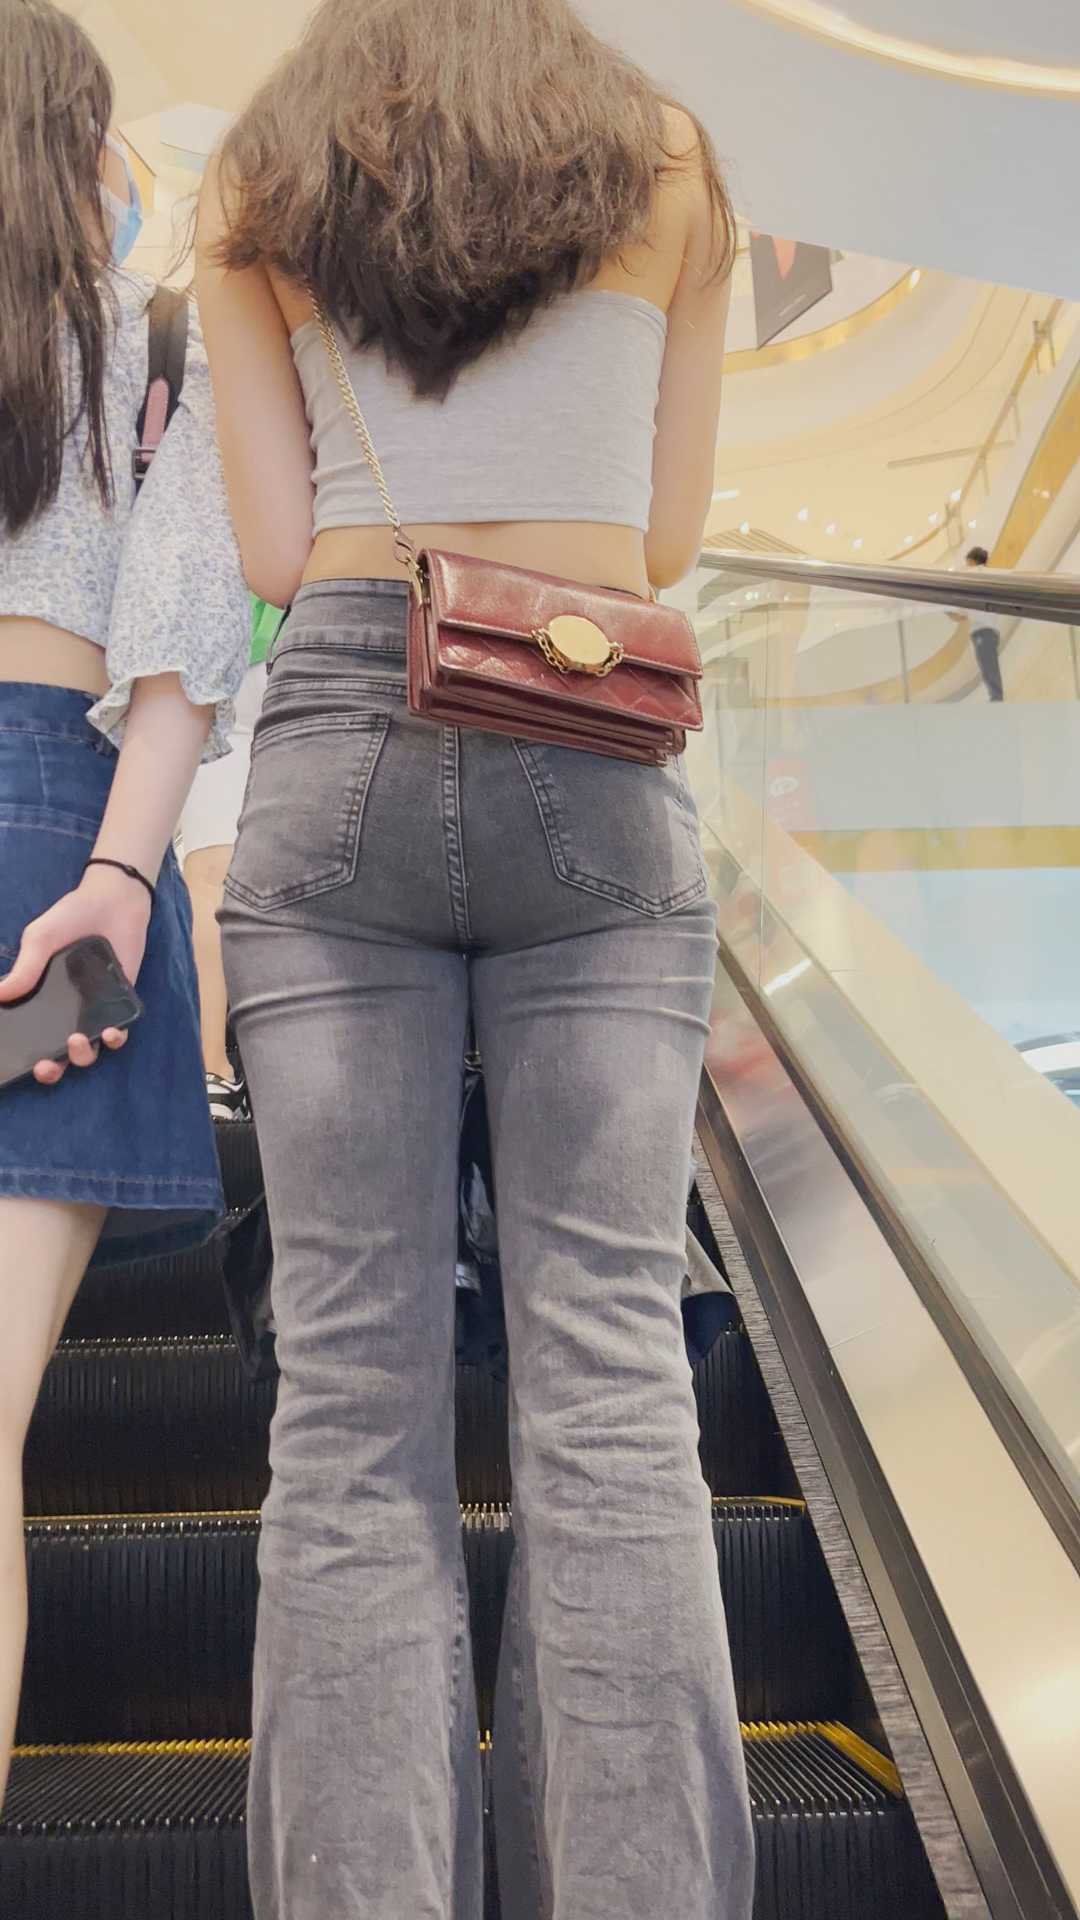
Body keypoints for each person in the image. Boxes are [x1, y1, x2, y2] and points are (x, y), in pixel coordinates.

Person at [195, 1, 754, 1914]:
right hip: (590, 719)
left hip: (342, 733)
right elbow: (659, 540)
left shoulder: (262, 171)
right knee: (612, 1391)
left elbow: (277, 550)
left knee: (350, 1410)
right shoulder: (670, 159)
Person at [0, 0, 247, 1805]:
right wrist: (118, 877)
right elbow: (181, 643)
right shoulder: (160, 342)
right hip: (57, 837)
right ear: (90, 151)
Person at [180, 596, 283, 1119]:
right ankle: (215, 1066)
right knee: (213, 874)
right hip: (281, 649)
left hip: (221, 650)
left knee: (209, 875)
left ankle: (212, 1068)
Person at [955, 545, 1005, 701]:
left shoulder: (979, 576)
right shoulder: (978, 583)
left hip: (984, 631)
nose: (966, 567)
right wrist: (943, 607)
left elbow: (961, 615)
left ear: (973, 561)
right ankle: (996, 699)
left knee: (988, 668)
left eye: (968, 563)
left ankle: (997, 700)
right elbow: (961, 616)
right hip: (985, 632)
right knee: (987, 668)